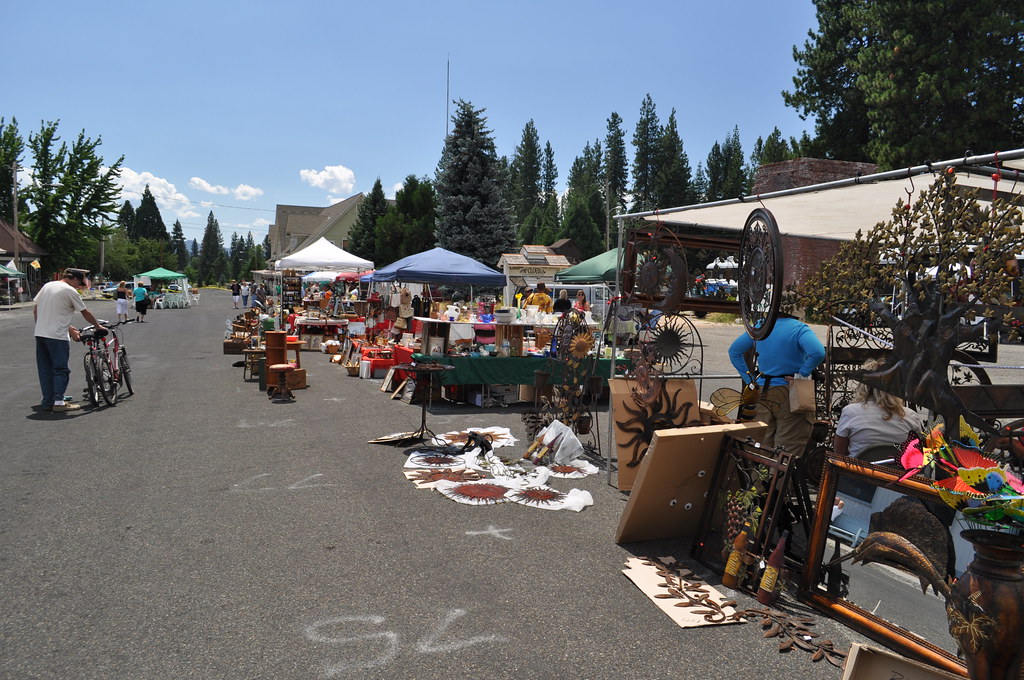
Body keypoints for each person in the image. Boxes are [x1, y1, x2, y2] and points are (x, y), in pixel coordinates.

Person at [728, 313, 826, 457]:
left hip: (762, 391)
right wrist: (802, 373)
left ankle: (759, 478)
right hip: (790, 392)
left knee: (761, 446)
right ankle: (779, 479)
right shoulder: (798, 328)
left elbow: (734, 351)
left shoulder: (761, 326)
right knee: (787, 450)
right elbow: (818, 352)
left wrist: (750, 380)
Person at [33, 268, 105, 412]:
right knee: (61, 369)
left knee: (45, 369)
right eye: (80, 284)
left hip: (40, 334)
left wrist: (68, 328)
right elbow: (85, 312)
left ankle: (49, 400)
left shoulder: (48, 286)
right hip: (57, 337)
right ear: (74, 279)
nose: (79, 287)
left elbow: (36, 310)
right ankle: (59, 402)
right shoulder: (69, 291)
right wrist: (98, 327)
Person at [833, 358, 923, 458]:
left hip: (858, 472)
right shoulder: (911, 416)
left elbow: (839, 454)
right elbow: (917, 453)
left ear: (864, 386)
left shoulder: (851, 412)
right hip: (897, 473)